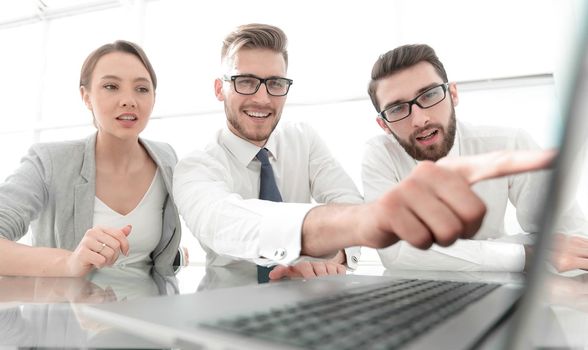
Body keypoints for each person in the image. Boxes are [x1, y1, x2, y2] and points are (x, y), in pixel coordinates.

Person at [173, 24, 553, 283]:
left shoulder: (303, 138)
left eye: (275, 83)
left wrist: (334, 256)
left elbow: (347, 202)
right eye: (244, 82)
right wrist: (327, 236)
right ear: (220, 89)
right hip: (224, 309)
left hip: (309, 302)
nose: (261, 97)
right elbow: (222, 220)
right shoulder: (196, 166)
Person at [362, 43, 588, 272]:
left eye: (429, 94)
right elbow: (395, 251)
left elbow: (569, 237)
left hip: (501, 287)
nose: (419, 120)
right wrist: (523, 254)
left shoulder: (507, 144)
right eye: (397, 109)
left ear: (453, 94)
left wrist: (481, 253)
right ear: (384, 125)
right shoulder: (380, 156)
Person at [0, 40, 182, 277]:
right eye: (110, 86)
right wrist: (68, 264)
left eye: (141, 89)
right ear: (86, 96)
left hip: (145, 311)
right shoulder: (49, 162)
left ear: (153, 99)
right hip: (67, 311)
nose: (129, 100)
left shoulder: (166, 159)